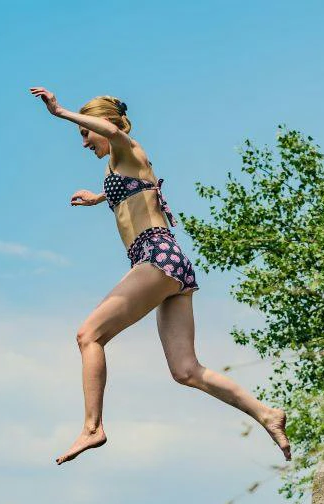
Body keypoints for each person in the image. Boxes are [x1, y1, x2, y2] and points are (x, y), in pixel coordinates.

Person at [28, 87, 292, 466]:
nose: (84, 142)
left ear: (105, 125)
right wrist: (99, 197)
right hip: (170, 265)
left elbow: (117, 138)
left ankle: (92, 427)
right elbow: (139, 186)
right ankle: (267, 413)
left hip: (156, 257)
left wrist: (61, 112)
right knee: (186, 370)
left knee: (89, 336)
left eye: (86, 134)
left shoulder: (128, 148)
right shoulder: (116, 166)